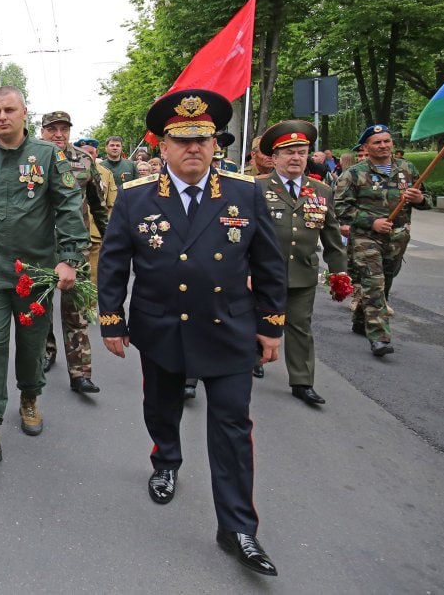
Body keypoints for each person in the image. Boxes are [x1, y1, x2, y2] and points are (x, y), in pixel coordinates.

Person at [98, 89, 286, 577]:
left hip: (228, 330)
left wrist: (271, 326)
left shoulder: (245, 194)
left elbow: (269, 265)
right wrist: (112, 319)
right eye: (182, 141)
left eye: (203, 139)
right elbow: (115, 262)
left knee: (231, 427)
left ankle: (238, 527)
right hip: (162, 329)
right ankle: (166, 460)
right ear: (162, 147)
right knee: (160, 408)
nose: (194, 149)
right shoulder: (137, 198)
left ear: (215, 145)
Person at [0, 86, 88, 466]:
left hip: (36, 276)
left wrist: (70, 259)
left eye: (9, 109)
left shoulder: (47, 157)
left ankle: (30, 397)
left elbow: (68, 208)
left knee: (30, 348)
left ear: (24, 113)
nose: (2, 117)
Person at [256, 120, 348, 404]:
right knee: (254, 320)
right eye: (289, 152)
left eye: (302, 151)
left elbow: (332, 237)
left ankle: (302, 381)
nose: (296, 158)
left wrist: (339, 274)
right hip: (259, 273)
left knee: (299, 326)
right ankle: (252, 359)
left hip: (302, 272)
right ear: (274, 158)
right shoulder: (255, 188)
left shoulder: (321, 191)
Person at [334, 124, 430, 356]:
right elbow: (340, 207)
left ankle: (360, 320)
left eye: (387, 141)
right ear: (366, 147)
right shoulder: (354, 174)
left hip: (397, 238)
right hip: (366, 238)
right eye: (377, 142)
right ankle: (380, 337)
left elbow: (427, 199)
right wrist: (371, 222)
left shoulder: (407, 168)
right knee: (373, 282)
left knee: (384, 283)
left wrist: (419, 199)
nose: (383, 145)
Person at [38, 110, 107, 393]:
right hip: (40, 246)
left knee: (76, 311)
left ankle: (80, 373)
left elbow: (99, 206)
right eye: (52, 129)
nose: (58, 134)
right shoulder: (33, 159)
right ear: (42, 131)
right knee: (40, 307)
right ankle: (47, 351)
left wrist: (113, 242)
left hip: (74, 246)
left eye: (63, 129)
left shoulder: (84, 160)